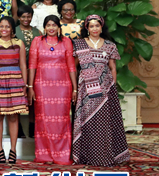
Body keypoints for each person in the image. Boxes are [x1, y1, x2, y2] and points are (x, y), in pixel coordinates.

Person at [72, 15, 130, 166]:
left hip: (105, 89)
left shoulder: (110, 45)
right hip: (86, 89)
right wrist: (75, 88)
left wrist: (112, 88)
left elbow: (113, 68)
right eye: (91, 26)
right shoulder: (80, 44)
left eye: (97, 26)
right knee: (87, 120)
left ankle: (104, 155)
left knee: (103, 122)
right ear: (87, 28)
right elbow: (74, 67)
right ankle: (85, 156)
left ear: (101, 27)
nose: (94, 29)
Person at [28, 15, 76, 165]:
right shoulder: (37, 41)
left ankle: (62, 154)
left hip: (62, 87)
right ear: (44, 27)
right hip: (42, 86)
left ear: (59, 27)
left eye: (54, 25)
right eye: (48, 25)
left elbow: (71, 66)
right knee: (43, 120)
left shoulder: (66, 42)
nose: (51, 28)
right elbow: (32, 65)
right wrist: (30, 86)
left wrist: (75, 88)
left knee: (61, 120)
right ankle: (44, 155)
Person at [0, 16, 29, 164]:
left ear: (12, 29)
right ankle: (0, 150)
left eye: (7, 26)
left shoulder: (18, 43)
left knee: (14, 116)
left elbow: (23, 65)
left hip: (15, 81)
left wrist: (25, 85)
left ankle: (13, 150)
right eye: (1, 26)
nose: (4, 29)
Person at [15, 3, 40, 139]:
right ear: (19, 17)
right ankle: (18, 127)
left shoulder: (37, 32)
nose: (26, 19)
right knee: (18, 97)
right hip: (17, 68)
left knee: (33, 97)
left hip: (35, 69)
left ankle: (32, 125)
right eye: (23, 17)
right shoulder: (14, 31)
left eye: (28, 16)